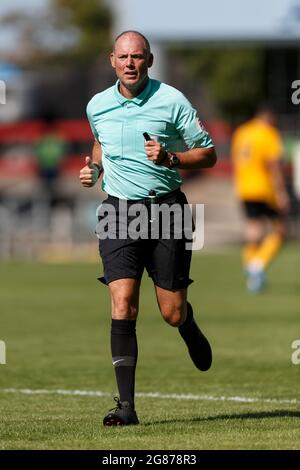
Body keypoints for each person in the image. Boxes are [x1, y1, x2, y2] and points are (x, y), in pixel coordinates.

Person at [79, 31, 217, 426]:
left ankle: (187, 325)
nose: (130, 64)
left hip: (167, 210)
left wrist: (171, 157)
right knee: (123, 304)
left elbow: (208, 154)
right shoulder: (97, 105)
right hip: (118, 212)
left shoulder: (172, 101)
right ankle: (126, 409)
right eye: (123, 57)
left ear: (149, 60)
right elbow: (99, 143)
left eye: (137, 57)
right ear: (112, 61)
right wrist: (95, 169)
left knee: (170, 312)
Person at [231, 105, 290, 293]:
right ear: (269, 117)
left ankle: (252, 274)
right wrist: (282, 193)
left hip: (244, 188)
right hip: (264, 189)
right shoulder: (268, 133)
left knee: (253, 230)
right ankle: (258, 265)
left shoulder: (241, 132)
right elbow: (274, 165)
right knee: (280, 230)